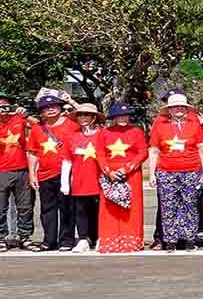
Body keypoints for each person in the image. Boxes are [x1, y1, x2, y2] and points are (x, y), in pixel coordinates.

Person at [147, 92, 203, 251]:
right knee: (168, 206)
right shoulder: (159, 126)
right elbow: (154, 150)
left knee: (190, 205)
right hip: (166, 172)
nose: (178, 109)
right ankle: (170, 240)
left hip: (192, 171)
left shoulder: (195, 125)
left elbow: (202, 149)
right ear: (169, 110)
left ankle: (189, 239)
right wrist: (152, 174)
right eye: (174, 107)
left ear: (186, 109)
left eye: (181, 106)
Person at [24, 94, 76, 251]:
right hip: (45, 175)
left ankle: (66, 239)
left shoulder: (72, 124)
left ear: (60, 108)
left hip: (66, 174)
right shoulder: (37, 129)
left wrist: (71, 101)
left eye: (54, 106)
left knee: (67, 207)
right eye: (46, 108)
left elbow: (92, 119)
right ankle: (49, 240)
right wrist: (32, 174)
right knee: (47, 209)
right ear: (40, 112)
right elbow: (32, 152)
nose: (51, 109)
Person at [95, 102, 147, 253]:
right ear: (113, 117)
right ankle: (109, 241)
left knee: (133, 208)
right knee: (109, 208)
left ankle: (131, 241)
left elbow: (143, 152)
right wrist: (109, 171)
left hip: (131, 174)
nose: (123, 118)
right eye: (119, 116)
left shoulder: (136, 131)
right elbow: (100, 154)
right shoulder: (104, 133)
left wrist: (127, 168)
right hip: (110, 175)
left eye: (125, 115)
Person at [65, 103, 103, 252]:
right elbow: (66, 159)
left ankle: (99, 237)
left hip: (99, 179)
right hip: (80, 180)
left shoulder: (102, 134)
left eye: (86, 115)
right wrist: (65, 182)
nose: (83, 118)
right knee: (81, 210)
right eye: (80, 115)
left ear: (94, 117)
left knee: (99, 210)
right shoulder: (72, 137)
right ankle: (83, 238)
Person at [0, 90, 32, 251]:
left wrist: (25, 114)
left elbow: (39, 125)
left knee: (25, 206)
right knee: (1, 207)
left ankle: (25, 236)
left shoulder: (18, 118)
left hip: (22, 169)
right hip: (1, 170)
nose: (3, 108)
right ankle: (1, 237)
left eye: (5, 105)